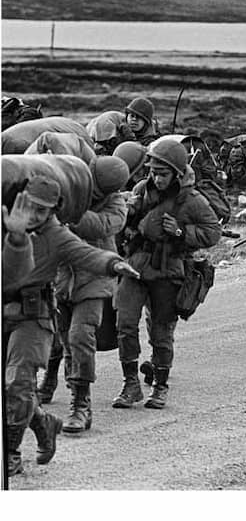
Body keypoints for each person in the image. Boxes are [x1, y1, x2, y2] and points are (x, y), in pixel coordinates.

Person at [3, 178, 139, 475]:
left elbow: (87, 254)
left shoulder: (56, 234)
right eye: (32, 207)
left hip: (33, 316)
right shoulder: (6, 222)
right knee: (12, 390)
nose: (36, 215)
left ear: (54, 211)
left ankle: (10, 453)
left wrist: (114, 264)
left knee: (18, 382)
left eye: (44, 210)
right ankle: (41, 421)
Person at [113, 139, 221, 410]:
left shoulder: (191, 199)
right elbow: (120, 222)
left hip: (168, 270)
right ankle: (130, 384)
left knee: (161, 332)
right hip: (135, 265)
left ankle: (160, 386)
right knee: (125, 323)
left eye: (163, 174)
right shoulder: (141, 189)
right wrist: (129, 215)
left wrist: (181, 232)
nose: (157, 178)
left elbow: (212, 233)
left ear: (176, 173)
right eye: (153, 172)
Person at [42, 157, 131, 435]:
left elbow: (101, 226)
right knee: (64, 339)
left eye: (98, 192)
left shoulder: (117, 205)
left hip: (95, 279)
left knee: (81, 337)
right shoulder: (70, 187)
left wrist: (69, 211)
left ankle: (81, 404)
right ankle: (65, 386)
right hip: (62, 277)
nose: (91, 195)